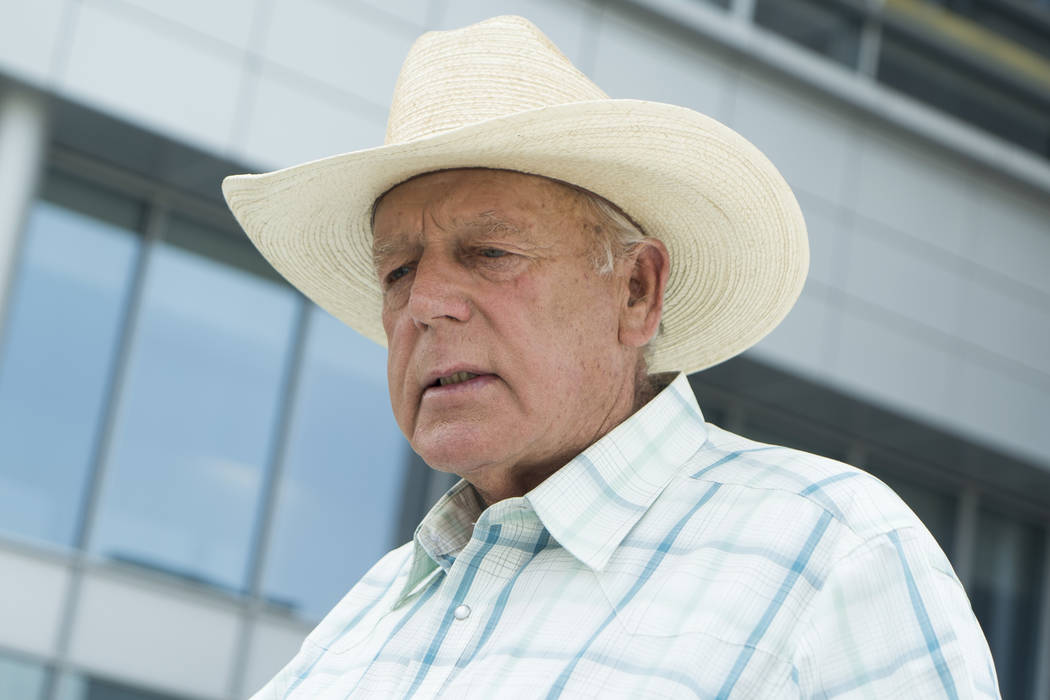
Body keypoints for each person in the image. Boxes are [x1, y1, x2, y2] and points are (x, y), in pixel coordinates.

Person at [223, 15, 1000, 699]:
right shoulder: (357, 625)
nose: (425, 303)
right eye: (397, 271)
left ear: (636, 289)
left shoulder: (828, 549)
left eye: (489, 252)